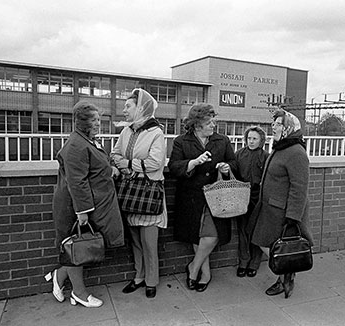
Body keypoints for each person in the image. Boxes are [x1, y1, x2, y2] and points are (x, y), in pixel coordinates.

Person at [46, 101, 124, 308]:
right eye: (94, 120)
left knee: (81, 245)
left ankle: (59, 276)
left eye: (99, 119)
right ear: (82, 122)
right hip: (74, 206)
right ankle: (79, 293)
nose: (98, 123)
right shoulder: (75, 146)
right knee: (76, 246)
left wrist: (110, 169)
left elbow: (95, 166)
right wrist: (82, 212)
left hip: (92, 203)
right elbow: (77, 181)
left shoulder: (88, 141)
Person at [168, 103, 236, 292]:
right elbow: (174, 167)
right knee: (197, 236)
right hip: (191, 197)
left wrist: (226, 167)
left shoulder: (222, 140)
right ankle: (205, 274)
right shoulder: (181, 141)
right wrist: (193, 163)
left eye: (214, 121)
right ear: (197, 124)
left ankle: (193, 268)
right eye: (209, 122)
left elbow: (233, 162)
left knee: (211, 236)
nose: (214, 125)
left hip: (215, 195)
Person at [248, 108, 313, 299]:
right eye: (273, 123)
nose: (273, 127)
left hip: (283, 211)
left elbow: (299, 188)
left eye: (278, 124)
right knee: (264, 242)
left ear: (288, 128)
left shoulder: (296, 152)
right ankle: (287, 273)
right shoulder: (281, 147)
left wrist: (293, 218)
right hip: (270, 208)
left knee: (279, 247)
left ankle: (286, 277)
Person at [111, 88, 167, 299]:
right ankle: (139, 277)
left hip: (148, 193)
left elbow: (155, 163)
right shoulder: (126, 131)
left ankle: (151, 281)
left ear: (141, 108)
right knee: (135, 240)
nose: (124, 110)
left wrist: (128, 164)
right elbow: (114, 153)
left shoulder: (156, 133)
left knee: (149, 242)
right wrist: (123, 166)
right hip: (130, 193)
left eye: (128, 106)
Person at [232, 126, 269, 278]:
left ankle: (254, 263)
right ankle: (243, 262)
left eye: (255, 138)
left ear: (261, 140)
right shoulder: (239, 154)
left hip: (258, 197)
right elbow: (233, 172)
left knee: (256, 231)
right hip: (242, 195)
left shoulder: (266, 156)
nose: (251, 141)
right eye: (249, 138)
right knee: (243, 230)